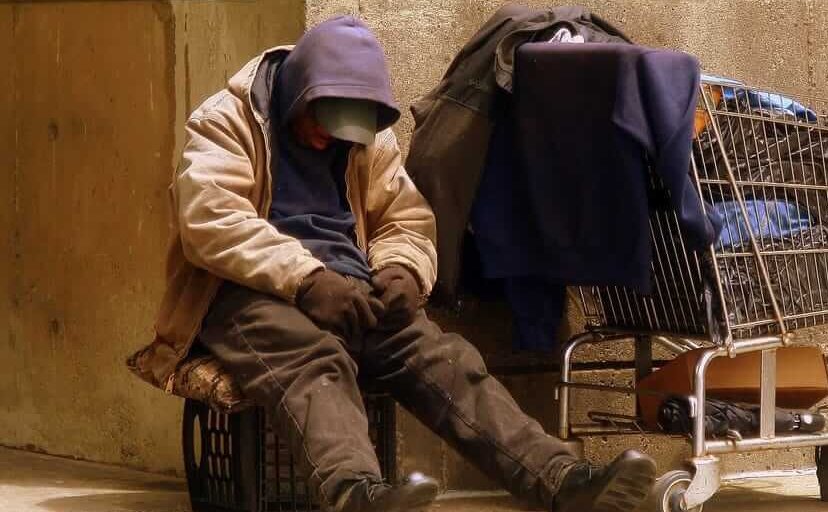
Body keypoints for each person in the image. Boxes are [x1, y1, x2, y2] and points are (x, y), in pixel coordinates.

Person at [126, 15, 657, 512]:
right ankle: (354, 493)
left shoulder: (362, 134)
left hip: (348, 288)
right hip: (243, 293)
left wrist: (402, 269)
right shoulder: (225, 120)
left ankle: (562, 480)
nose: (327, 137)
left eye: (341, 129)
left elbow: (405, 218)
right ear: (300, 90)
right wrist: (307, 279)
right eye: (320, 120)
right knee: (313, 357)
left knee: (446, 360)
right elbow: (211, 221)